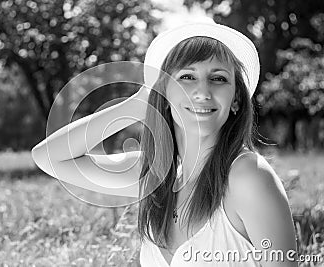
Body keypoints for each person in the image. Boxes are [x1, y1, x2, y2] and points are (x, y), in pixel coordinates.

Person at [31, 21, 298, 266]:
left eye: (218, 79)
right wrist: (136, 105)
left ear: (236, 99)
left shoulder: (247, 176)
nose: (202, 93)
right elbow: (48, 157)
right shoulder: (156, 175)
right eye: (186, 77)